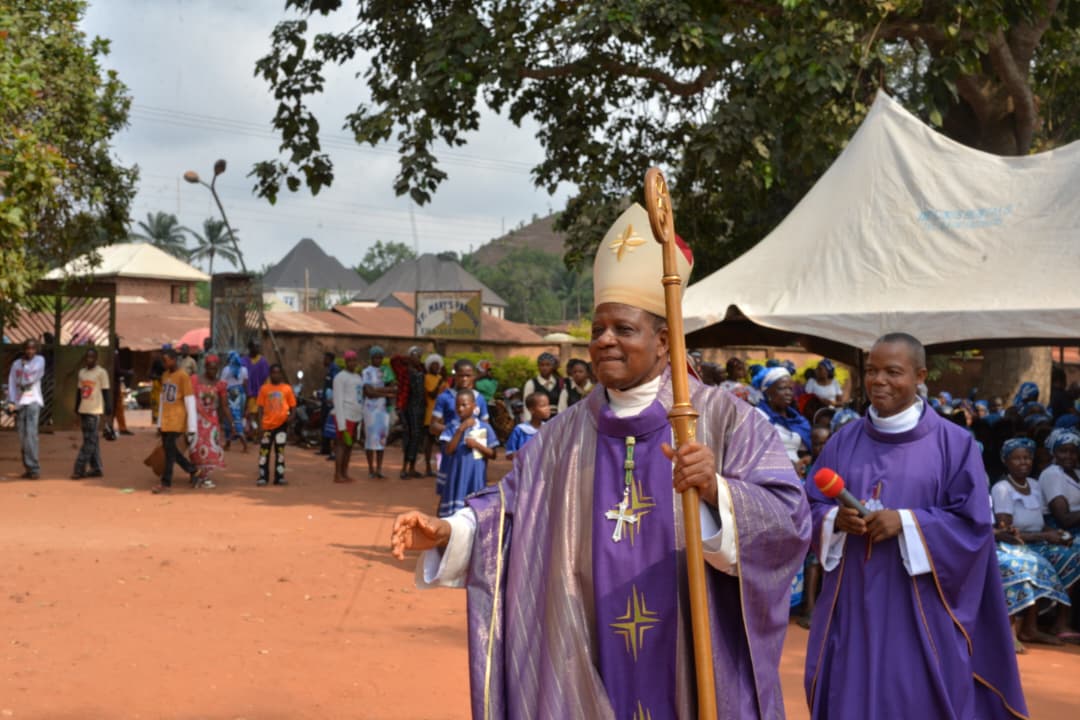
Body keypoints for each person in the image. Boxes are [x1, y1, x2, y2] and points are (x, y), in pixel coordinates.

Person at [392, 203, 810, 719]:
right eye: (597, 329)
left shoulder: (724, 420)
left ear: (663, 341)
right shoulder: (561, 435)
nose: (604, 340)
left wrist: (719, 495)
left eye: (623, 329)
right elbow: (512, 511)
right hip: (583, 642)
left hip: (687, 649)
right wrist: (450, 532)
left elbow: (788, 519)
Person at [804, 332, 1026, 719]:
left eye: (893, 372)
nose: (879, 381)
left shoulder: (954, 445)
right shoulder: (843, 442)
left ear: (921, 375)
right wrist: (833, 520)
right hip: (853, 605)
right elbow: (805, 506)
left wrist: (907, 523)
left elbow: (973, 527)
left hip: (921, 610)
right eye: (872, 371)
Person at [992, 436, 1080, 644]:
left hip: (1038, 540)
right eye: (1017, 459)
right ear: (1006, 461)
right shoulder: (1002, 488)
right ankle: (1028, 628)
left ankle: (1059, 621)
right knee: (1036, 563)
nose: (1024, 463)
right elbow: (1007, 532)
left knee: (1073, 556)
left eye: (1027, 458)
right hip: (1018, 543)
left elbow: (1041, 522)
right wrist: (1045, 536)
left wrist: (1056, 534)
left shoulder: (1034, 484)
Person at [436, 388, 498, 517]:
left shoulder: (484, 427)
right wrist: (461, 429)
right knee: (454, 513)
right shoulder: (452, 427)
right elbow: (449, 450)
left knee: (474, 512)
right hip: (457, 475)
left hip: (475, 475)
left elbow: (493, 454)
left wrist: (476, 445)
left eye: (464, 405)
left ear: (474, 406)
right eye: (457, 405)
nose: (460, 409)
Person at [154, 349, 197, 494]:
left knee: (169, 453)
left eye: (166, 360)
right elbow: (162, 400)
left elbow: (190, 401)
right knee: (170, 450)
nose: (164, 364)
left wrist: (192, 427)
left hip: (177, 420)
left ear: (173, 359)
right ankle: (192, 470)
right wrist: (159, 423)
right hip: (166, 419)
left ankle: (166, 483)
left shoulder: (183, 376)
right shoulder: (165, 376)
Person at [754, 367, 811, 464]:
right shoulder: (757, 416)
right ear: (767, 392)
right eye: (782, 388)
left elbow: (804, 452)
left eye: (790, 389)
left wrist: (806, 459)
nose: (788, 393)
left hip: (797, 474)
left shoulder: (798, 420)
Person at [190, 355, 230, 489]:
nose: (213, 371)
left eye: (215, 369)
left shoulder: (220, 385)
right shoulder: (195, 380)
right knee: (195, 448)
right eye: (210, 368)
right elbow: (189, 400)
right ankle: (196, 474)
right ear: (205, 367)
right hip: (197, 419)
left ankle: (204, 477)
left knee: (209, 449)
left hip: (212, 422)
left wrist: (231, 422)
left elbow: (224, 406)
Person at [7, 339, 45, 479]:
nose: (30, 351)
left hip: (33, 401)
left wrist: (24, 366)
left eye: (33, 349)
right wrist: (11, 401)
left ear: (36, 350)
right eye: (28, 349)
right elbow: (12, 383)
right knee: (22, 437)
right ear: (24, 349)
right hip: (19, 403)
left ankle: (35, 468)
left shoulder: (39, 360)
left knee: (31, 435)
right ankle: (28, 467)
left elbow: (31, 378)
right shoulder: (16, 364)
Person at [72, 348, 111, 479]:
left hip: (94, 411)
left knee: (90, 441)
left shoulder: (101, 372)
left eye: (92, 357)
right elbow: (79, 392)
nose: (89, 360)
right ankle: (96, 468)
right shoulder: (82, 373)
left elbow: (105, 391)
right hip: (83, 409)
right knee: (91, 440)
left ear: (96, 358)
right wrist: (76, 409)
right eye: (87, 358)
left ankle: (79, 468)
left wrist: (108, 409)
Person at [255, 364, 296, 487]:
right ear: (270, 374)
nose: (275, 375)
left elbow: (293, 406)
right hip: (267, 426)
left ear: (281, 374)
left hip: (281, 425)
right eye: (273, 372)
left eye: (278, 372)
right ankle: (263, 476)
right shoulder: (264, 389)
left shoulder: (287, 389)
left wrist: (291, 418)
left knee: (280, 451)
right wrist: (260, 425)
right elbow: (260, 408)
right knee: (264, 452)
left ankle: (279, 477)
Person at [361, 346, 396, 479]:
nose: (378, 360)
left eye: (380, 357)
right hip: (370, 410)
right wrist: (385, 391)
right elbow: (368, 393)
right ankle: (370, 468)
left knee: (381, 439)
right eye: (376, 357)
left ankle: (379, 468)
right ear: (371, 358)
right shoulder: (366, 372)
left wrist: (378, 391)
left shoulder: (385, 371)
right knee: (370, 440)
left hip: (383, 410)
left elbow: (394, 389)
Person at [431, 358, 490, 435]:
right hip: (450, 444)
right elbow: (433, 427)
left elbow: (486, 426)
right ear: (455, 376)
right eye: (461, 376)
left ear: (473, 377)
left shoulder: (479, 398)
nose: (464, 379)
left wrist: (472, 434)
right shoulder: (444, 397)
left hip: (472, 444)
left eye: (468, 376)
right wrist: (456, 430)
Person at [1040, 428, 1080, 534]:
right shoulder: (1052, 473)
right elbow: (1064, 519)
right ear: (1054, 452)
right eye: (1063, 451)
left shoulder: (1076, 472)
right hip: (1061, 532)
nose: (1068, 456)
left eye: (1073, 452)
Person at [332, 351, 364, 483]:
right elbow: (337, 400)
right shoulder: (340, 377)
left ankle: (345, 472)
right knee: (341, 445)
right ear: (345, 362)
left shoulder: (358, 377)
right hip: (344, 416)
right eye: (350, 360)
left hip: (355, 416)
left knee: (349, 446)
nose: (353, 363)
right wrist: (341, 423)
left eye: (354, 360)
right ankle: (337, 474)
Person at [401, 347, 427, 479]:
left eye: (419, 356)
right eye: (415, 356)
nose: (418, 358)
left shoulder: (421, 371)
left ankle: (412, 468)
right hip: (410, 407)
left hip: (421, 407)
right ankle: (404, 468)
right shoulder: (406, 371)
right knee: (410, 437)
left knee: (417, 438)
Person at [504, 392, 550, 460]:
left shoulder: (549, 428)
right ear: (532, 410)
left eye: (548, 405)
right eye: (543, 406)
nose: (547, 408)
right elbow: (509, 454)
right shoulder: (520, 430)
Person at [522, 352, 566, 420]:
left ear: (553, 366)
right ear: (538, 366)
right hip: (538, 421)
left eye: (548, 365)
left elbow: (564, 405)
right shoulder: (531, 383)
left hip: (556, 420)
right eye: (542, 365)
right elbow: (527, 406)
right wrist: (529, 425)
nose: (544, 368)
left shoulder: (560, 382)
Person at [422, 354, 447, 478]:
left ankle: (442, 467)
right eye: (433, 365)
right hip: (430, 412)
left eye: (438, 365)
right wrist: (440, 383)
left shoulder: (441, 378)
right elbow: (431, 394)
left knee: (443, 441)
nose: (436, 367)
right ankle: (427, 467)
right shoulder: (426, 378)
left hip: (442, 414)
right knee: (429, 441)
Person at [220, 352, 249, 453]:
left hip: (230, 394)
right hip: (240, 394)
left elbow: (222, 384)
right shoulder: (244, 369)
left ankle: (244, 443)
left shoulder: (226, 369)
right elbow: (245, 384)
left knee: (232, 418)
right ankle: (228, 443)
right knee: (234, 418)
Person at [244, 340, 270, 442]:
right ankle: (251, 434)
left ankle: (258, 434)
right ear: (250, 348)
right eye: (255, 347)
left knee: (259, 414)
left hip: (260, 392)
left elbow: (266, 378)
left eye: (258, 347)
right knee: (250, 414)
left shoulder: (263, 362)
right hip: (249, 393)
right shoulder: (244, 361)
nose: (257, 349)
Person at [320, 351, 340, 456]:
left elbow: (336, 384)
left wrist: (332, 399)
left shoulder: (334, 369)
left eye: (325, 358)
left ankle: (329, 449)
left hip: (330, 403)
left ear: (329, 359)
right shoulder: (329, 370)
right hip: (325, 401)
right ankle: (324, 448)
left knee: (328, 425)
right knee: (323, 423)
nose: (323, 360)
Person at [149, 347, 166, 426]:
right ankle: (156, 420)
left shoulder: (167, 362)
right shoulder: (157, 362)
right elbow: (150, 375)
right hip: (157, 385)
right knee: (156, 402)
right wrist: (158, 377)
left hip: (164, 385)